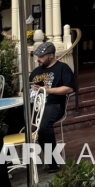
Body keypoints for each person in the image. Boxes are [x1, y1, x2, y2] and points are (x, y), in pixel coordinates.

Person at [29, 41, 77, 172]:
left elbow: (69, 88)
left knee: (43, 126)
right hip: (34, 107)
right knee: (9, 123)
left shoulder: (62, 68)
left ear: (51, 56)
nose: (38, 60)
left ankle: (53, 162)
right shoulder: (36, 71)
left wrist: (48, 90)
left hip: (53, 105)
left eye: (41, 57)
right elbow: (24, 89)